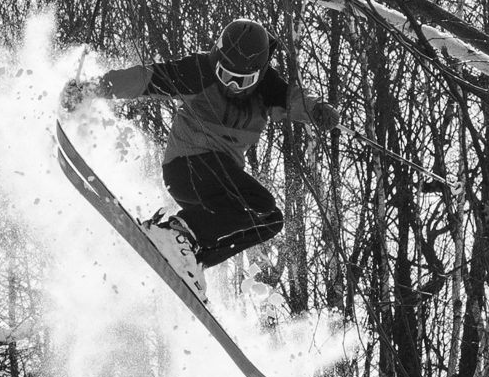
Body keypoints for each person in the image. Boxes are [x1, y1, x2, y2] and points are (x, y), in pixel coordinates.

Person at [65, 18, 338, 296]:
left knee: (270, 220)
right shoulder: (200, 72)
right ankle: (174, 233)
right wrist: (92, 89)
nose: (231, 85)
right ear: (216, 59)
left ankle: (190, 259)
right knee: (260, 202)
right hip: (187, 167)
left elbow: (297, 98)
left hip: (217, 183)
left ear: (260, 73)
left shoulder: (269, 88)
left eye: (243, 81)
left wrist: (318, 109)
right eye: (225, 74)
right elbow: (144, 78)